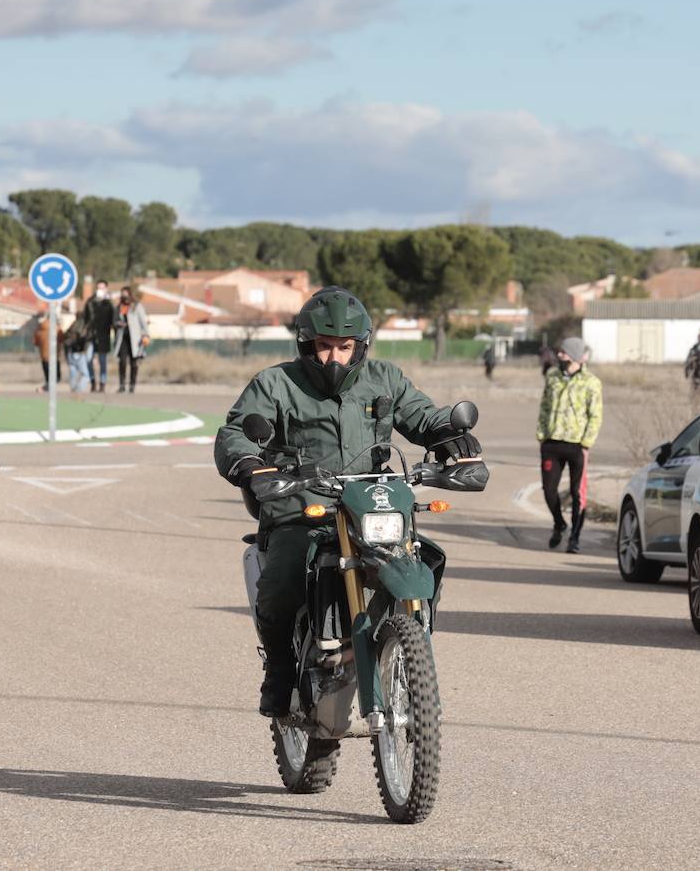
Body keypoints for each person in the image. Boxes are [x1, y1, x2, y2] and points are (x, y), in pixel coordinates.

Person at [215, 286, 482, 717]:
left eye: (344, 347)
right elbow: (235, 434)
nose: (334, 357)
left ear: (361, 345)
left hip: (372, 505)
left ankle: (410, 646)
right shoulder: (276, 383)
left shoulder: (386, 379)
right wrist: (249, 462)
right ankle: (281, 666)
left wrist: (452, 438)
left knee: (426, 556)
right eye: (324, 347)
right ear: (306, 344)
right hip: (303, 506)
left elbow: (424, 416)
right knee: (283, 576)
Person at [535, 337, 602, 553]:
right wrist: (542, 435)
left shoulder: (591, 382)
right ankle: (559, 523)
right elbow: (544, 406)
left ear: (573, 354)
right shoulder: (552, 376)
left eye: (563, 352)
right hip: (552, 443)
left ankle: (574, 537)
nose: (559, 355)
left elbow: (595, 415)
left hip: (577, 445)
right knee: (549, 491)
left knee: (576, 492)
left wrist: (586, 442)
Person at [113, 285, 150, 393]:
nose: (124, 296)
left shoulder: (137, 306)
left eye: (126, 293)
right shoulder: (119, 307)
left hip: (135, 339)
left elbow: (143, 322)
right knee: (122, 361)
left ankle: (132, 385)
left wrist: (146, 334)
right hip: (122, 338)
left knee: (134, 363)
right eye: (122, 294)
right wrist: (118, 323)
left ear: (130, 294)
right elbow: (114, 321)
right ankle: (122, 385)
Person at [81, 280, 115, 392]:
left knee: (102, 361)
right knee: (88, 359)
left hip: (104, 336)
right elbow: (85, 318)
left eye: (102, 287)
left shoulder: (109, 304)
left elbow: (113, 320)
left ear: (106, 288)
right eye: (98, 287)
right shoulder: (90, 302)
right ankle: (93, 382)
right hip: (91, 336)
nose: (100, 290)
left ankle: (102, 383)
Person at [31, 312, 62, 391]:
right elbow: (62, 338)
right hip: (55, 354)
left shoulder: (40, 327)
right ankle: (49, 387)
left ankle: (48, 386)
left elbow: (35, 341)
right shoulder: (57, 328)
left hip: (44, 354)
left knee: (48, 373)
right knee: (56, 375)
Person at [62, 311, 91, 393]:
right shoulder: (83, 326)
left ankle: (73, 388)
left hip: (70, 353)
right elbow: (87, 339)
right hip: (79, 353)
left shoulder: (72, 326)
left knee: (73, 372)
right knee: (86, 375)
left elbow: (66, 338)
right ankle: (79, 389)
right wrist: (85, 350)